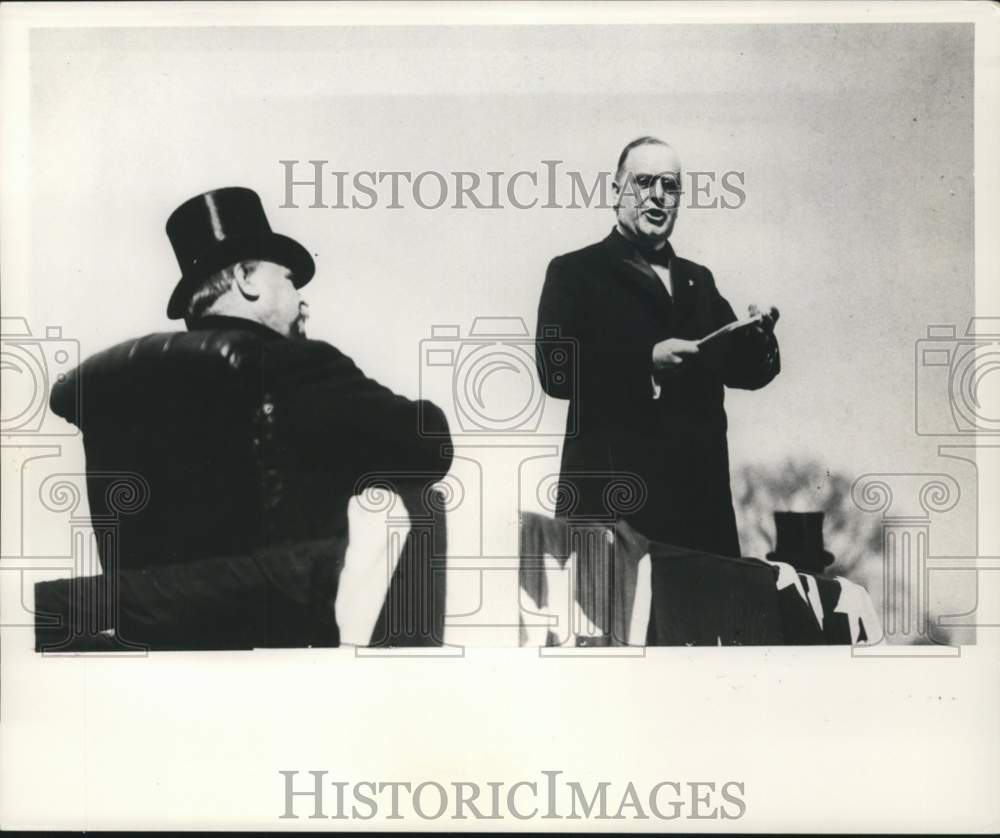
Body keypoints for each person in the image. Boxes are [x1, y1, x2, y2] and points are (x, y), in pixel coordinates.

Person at [535, 137, 779, 557]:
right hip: (613, 517)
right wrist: (644, 364)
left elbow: (744, 371)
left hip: (699, 522)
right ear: (616, 191)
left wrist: (759, 338)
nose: (658, 197)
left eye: (670, 186)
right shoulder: (574, 272)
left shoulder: (698, 281)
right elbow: (556, 371)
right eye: (643, 182)